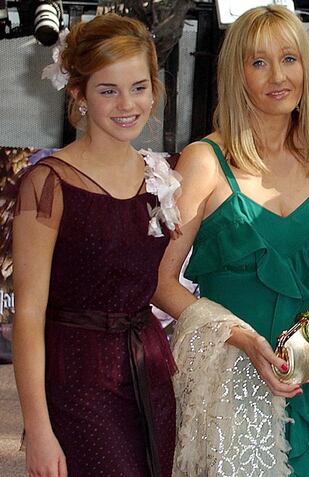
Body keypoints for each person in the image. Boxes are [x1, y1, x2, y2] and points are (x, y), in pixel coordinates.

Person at [151, 6, 309, 476]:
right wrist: (241, 338)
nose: (278, 76)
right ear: (236, 74)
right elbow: (158, 280)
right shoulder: (203, 160)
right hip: (231, 380)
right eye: (258, 62)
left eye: (289, 58)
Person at [11, 13, 180, 477]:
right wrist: (39, 430)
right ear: (78, 95)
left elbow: (156, 283)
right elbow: (26, 315)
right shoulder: (48, 183)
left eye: (139, 87)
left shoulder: (159, 176)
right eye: (108, 90)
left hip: (150, 376)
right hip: (77, 385)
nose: (127, 104)